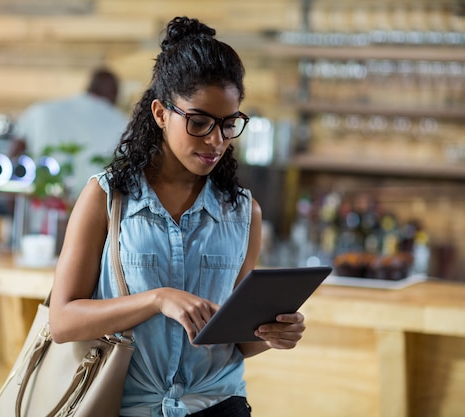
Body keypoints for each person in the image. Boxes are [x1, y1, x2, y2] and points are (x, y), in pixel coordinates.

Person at [49, 16, 307, 417]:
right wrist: (157, 300)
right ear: (160, 113)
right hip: (127, 405)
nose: (216, 140)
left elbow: (239, 342)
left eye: (228, 124)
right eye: (199, 122)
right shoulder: (107, 197)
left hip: (219, 404)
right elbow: (62, 321)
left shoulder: (243, 213)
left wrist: (274, 333)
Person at [13, 67, 129, 199]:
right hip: (94, 207)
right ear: (114, 94)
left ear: (88, 87)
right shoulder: (121, 122)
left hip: (39, 204)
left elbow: (15, 153)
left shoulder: (40, 110)